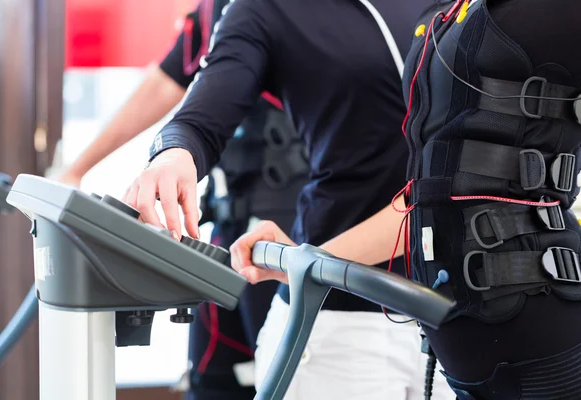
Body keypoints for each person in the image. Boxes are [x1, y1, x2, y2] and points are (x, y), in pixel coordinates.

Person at [232, 0, 581, 399]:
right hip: (459, 341)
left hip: (540, 323)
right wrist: (312, 258)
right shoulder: (442, 16)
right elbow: (431, 196)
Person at [123, 0, 454, 398]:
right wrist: (173, 153)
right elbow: (203, 112)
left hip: (466, 322)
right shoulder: (265, 9)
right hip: (339, 329)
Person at [58, 2, 308, 399]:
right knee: (213, 381)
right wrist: (77, 168)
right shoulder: (213, 10)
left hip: (284, 229)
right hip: (226, 224)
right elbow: (167, 82)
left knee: (285, 381)